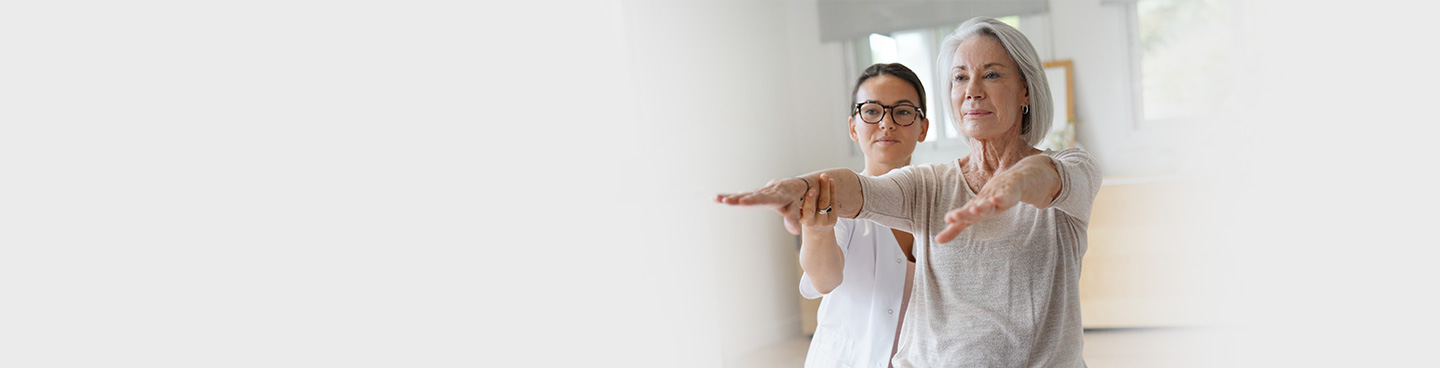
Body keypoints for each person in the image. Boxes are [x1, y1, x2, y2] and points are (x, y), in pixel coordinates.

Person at [716, 17, 1101, 367]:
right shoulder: (929, 183)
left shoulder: (1074, 168)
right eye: (959, 77)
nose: (973, 91)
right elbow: (858, 189)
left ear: (1026, 92)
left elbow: (1048, 177)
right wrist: (801, 187)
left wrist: (1015, 182)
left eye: (993, 75)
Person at [792, 63, 925, 368]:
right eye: (872, 111)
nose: (886, 123)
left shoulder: (940, 203)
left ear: (923, 128)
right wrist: (816, 230)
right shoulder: (838, 202)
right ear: (853, 127)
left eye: (903, 112)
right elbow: (824, 280)